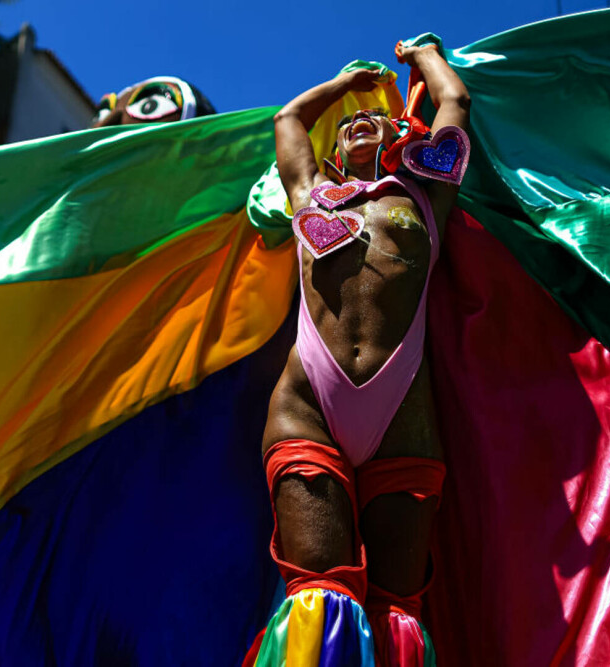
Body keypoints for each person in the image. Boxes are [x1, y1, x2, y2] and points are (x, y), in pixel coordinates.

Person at [256, 42, 470, 664]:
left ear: (404, 137)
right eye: (348, 124)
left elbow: (454, 99)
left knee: (398, 606)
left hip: (405, 412)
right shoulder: (310, 196)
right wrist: (345, 85)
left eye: (371, 119)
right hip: (306, 406)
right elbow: (287, 121)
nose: (357, 124)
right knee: (317, 591)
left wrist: (424, 54)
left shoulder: (428, 198)